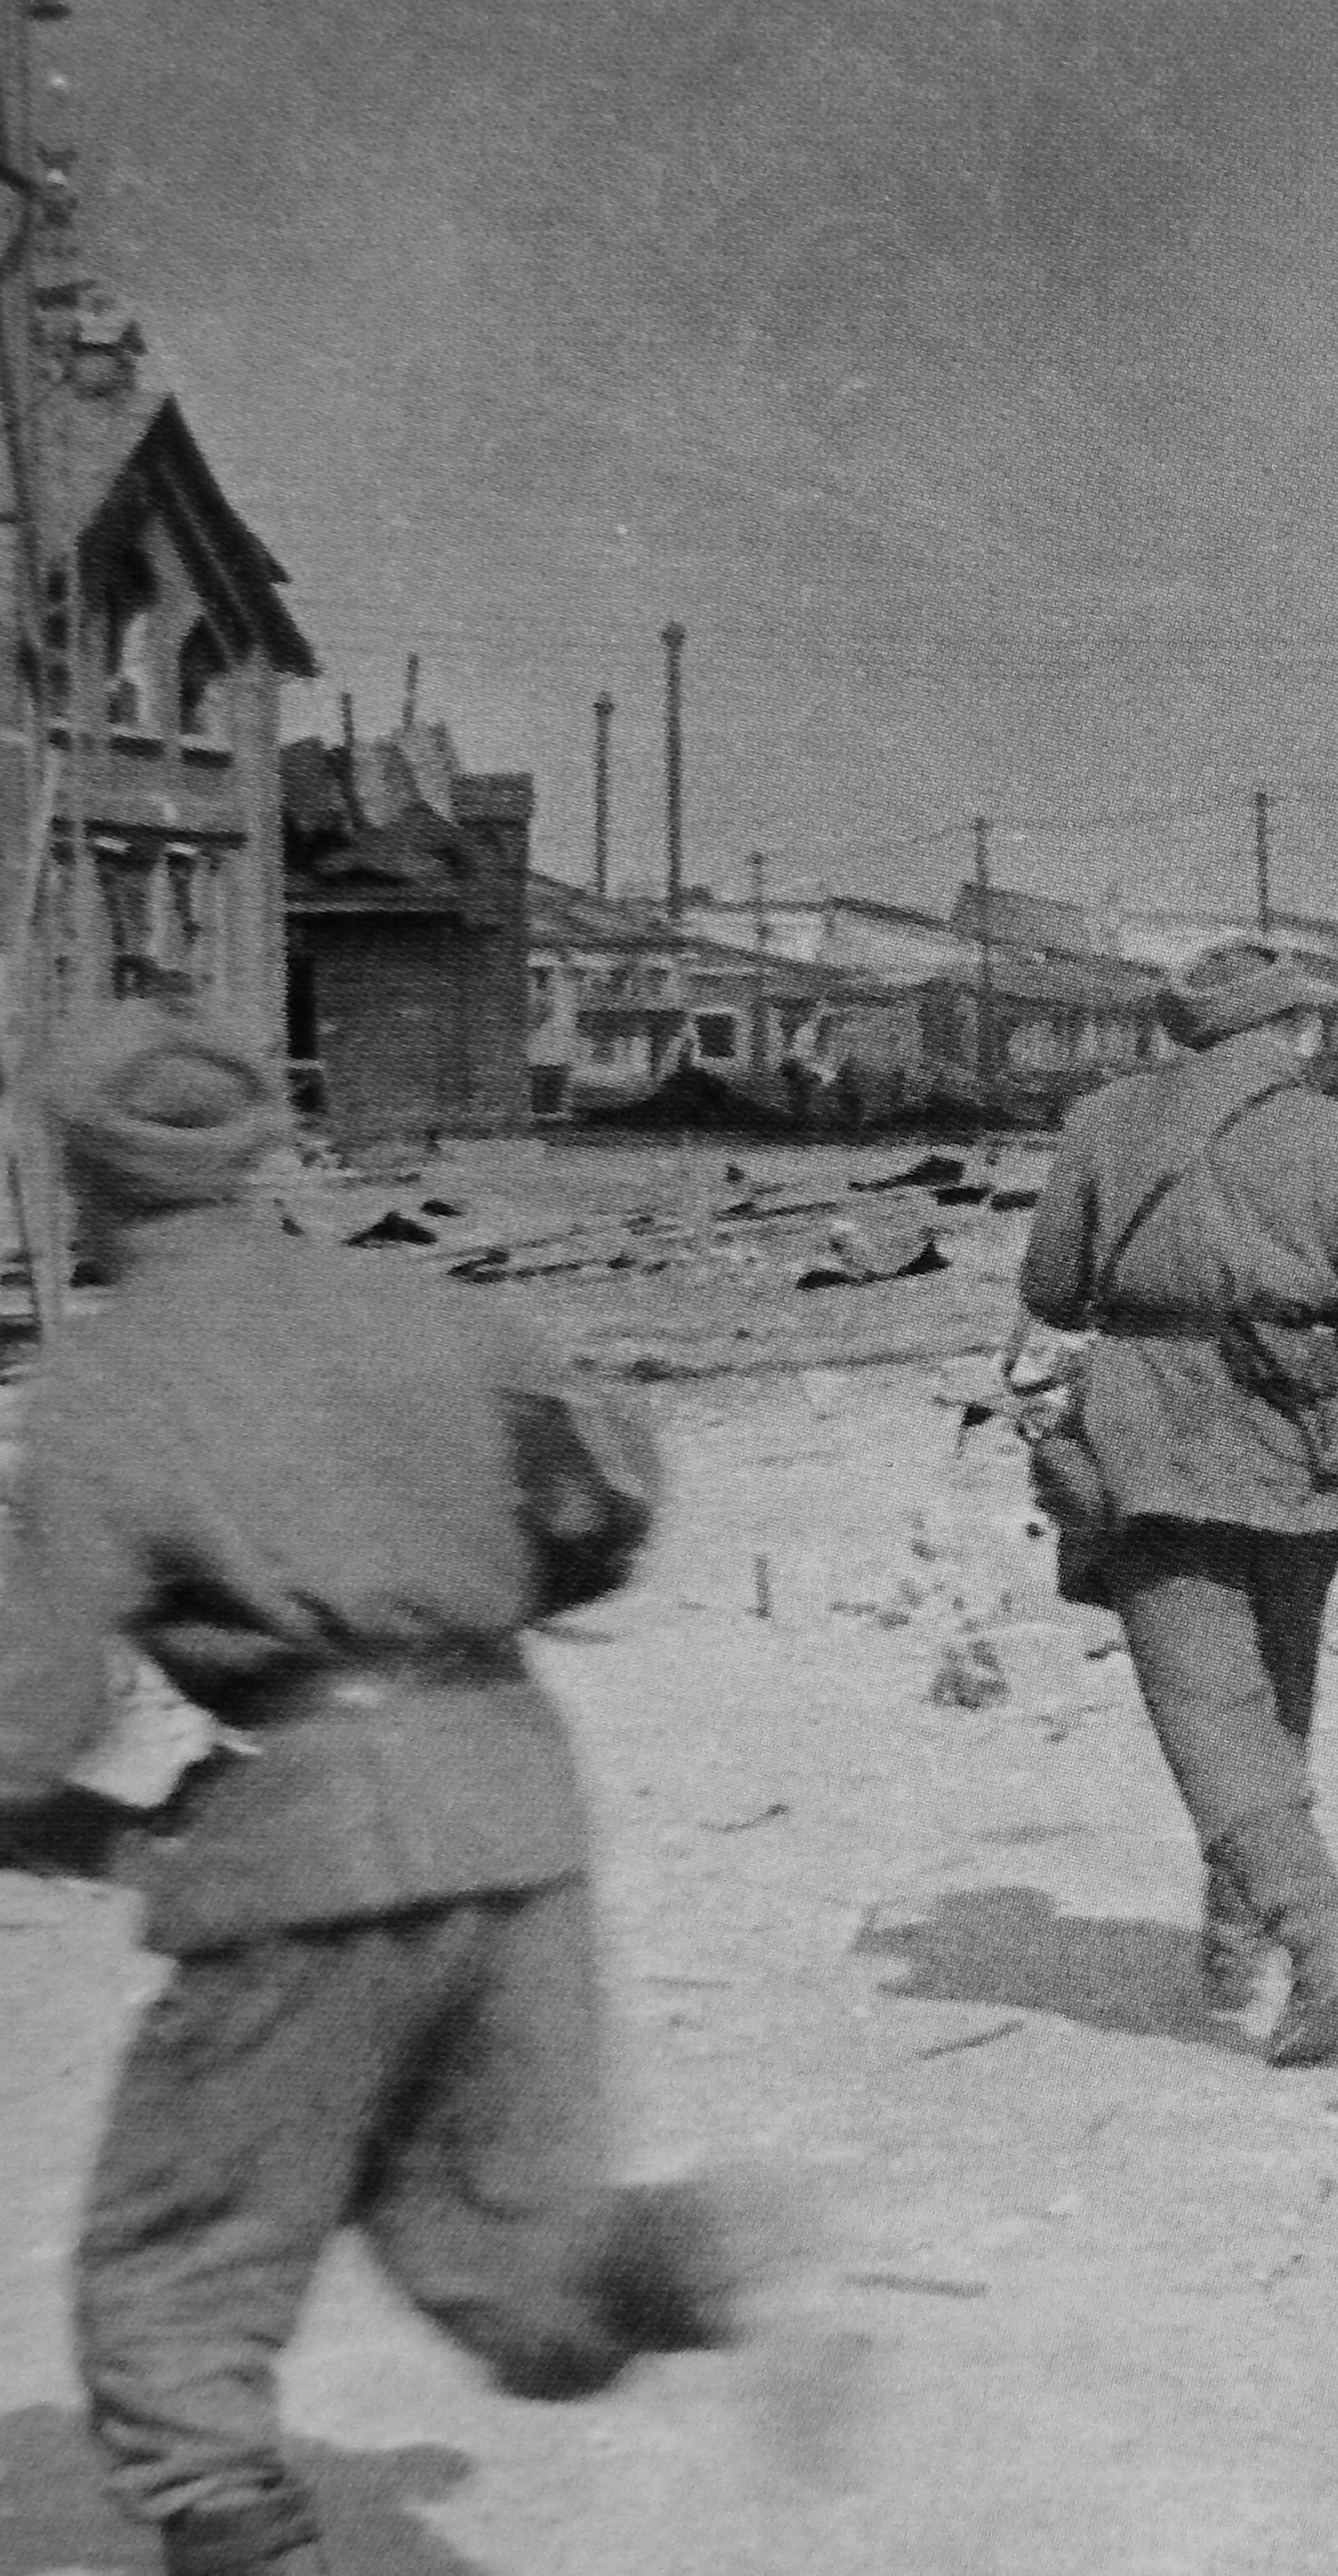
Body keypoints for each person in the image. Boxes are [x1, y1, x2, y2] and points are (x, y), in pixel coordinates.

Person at [0, 1005, 797, 2576]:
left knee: (180, 2271)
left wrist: (94, 1829)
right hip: (517, 1793)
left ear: (81, 1173)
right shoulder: (434, 1310)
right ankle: (697, 2264)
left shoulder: (105, 1383)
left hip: (307, 1836)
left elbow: (25, 1717)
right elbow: (599, 1510)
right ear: (255, 1148)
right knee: (501, 2245)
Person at [1015, 939, 1338, 2068]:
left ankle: (1319, 1941)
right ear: (1299, 1027)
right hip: (1301, 1442)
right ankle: (1236, 1926)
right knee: (1271, 1692)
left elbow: (1050, 1288)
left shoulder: (1103, 1121)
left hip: (1151, 1439)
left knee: (1208, 1707)